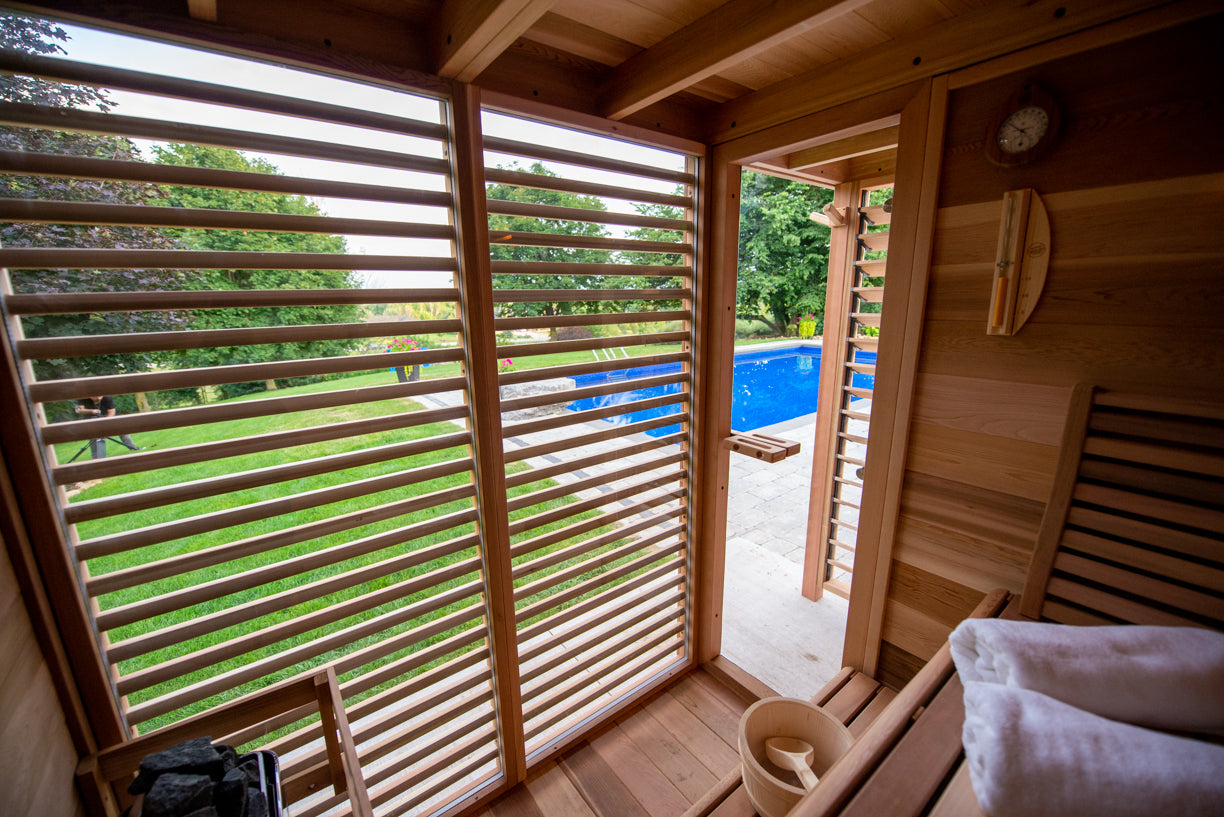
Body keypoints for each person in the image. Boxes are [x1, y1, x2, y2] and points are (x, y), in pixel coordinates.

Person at [76, 395, 142, 458]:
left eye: (100, 396)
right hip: (90, 420)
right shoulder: (82, 397)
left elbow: (112, 412)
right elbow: (78, 410)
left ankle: (132, 447)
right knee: (93, 436)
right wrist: (91, 411)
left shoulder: (107, 397)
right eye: (96, 397)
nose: (99, 398)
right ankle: (96, 457)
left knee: (121, 428)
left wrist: (106, 424)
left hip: (106, 418)